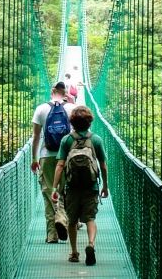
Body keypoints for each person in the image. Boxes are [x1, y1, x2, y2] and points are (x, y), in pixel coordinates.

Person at [51, 105, 108, 266]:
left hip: (72, 187)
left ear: (72, 122)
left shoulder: (67, 140)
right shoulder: (96, 139)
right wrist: (105, 186)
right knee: (90, 218)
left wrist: (55, 188)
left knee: (72, 220)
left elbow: (60, 165)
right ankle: (90, 244)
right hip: (91, 187)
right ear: (89, 122)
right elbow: (103, 165)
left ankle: (74, 252)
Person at [31, 81, 77, 243]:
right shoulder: (72, 109)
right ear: (65, 93)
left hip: (47, 155)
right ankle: (63, 218)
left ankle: (51, 234)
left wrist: (34, 159)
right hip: (68, 156)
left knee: (48, 191)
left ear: (52, 91)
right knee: (67, 190)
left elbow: (36, 137)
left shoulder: (41, 109)